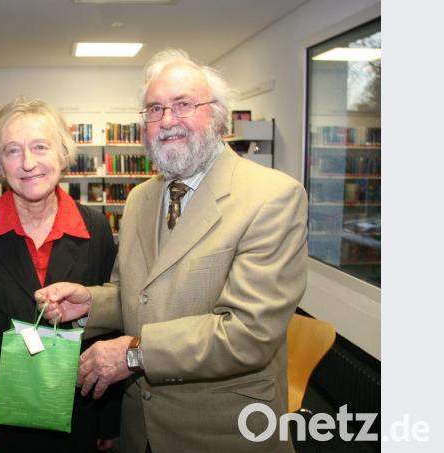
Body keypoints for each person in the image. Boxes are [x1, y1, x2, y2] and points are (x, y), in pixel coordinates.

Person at [35, 49, 308, 453]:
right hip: (140, 426)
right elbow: (137, 293)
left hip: (222, 429)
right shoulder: (141, 198)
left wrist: (133, 354)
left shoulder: (272, 197)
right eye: (154, 109)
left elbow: (248, 333)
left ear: (217, 115)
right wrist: (91, 303)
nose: (166, 121)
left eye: (183, 105)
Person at [0, 97, 121, 453]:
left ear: (62, 155)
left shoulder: (96, 228)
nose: (28, 163)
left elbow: (112, 326)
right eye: (12, 150)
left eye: (40, 147)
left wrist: (108, 420)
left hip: (77, 406)